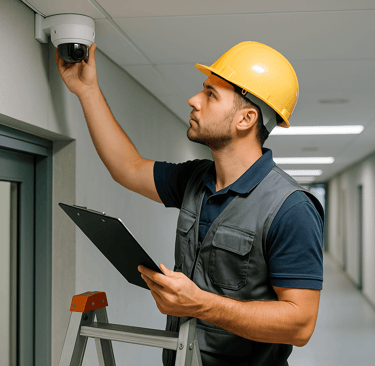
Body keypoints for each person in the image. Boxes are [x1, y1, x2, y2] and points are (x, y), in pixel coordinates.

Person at [56, 41, 324, 366]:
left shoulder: (291, 207)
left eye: (210, 94)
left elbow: (300, 324)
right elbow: (128, 168)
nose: (194, 101)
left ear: (246, 118)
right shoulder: (195, 178)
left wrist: (201, 304)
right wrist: (87, 91)